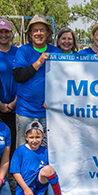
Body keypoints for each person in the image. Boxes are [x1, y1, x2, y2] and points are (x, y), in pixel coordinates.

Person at [13, 15, 61, 148]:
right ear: (30, 33)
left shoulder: (56, 52)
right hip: (26, 111)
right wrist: (39, 62)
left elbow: (61, 81)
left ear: (47, 33)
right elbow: (19, 76)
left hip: (48, 112)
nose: (39, 33)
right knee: (24, 150)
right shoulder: (23, 51)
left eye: (42, 30)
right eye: (35, 30)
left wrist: (52, 99)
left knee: (46, 150)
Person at [11, 121, 66, 195]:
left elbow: (51, 173)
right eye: (31, 137)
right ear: (26, 137)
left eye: (37, 137)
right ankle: (30, 194)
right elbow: (15, 172)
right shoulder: (20, 151)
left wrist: (50, 190)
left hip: (40, 181)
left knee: (48, 169)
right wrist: (26, 188)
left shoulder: (45, 151)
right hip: (26, 183)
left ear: (43, 136)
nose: (34, 140)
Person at [0, 18, 17, 159]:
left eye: (6, 31)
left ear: (11, 33)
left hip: (17, 106)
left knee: (13, 141)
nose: (3, 35)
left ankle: (12, 175)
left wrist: (13, 103)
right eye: (0, 32)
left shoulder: (18, 53)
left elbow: (24, 81)